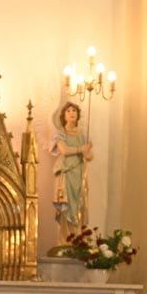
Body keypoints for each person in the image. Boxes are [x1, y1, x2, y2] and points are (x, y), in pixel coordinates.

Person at [51, 100, 92, 243]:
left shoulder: (83, 135)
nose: (71, 113)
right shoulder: (60, 134)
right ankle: (65, 242)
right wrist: (81, 149)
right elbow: (64, 150)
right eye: (68, 111)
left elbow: (90, 156)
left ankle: (78, 241)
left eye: (74, 110)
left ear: (78, 114)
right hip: (66, 174)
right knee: (67, 207)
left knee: (79, 206)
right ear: (64, 116)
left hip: (79, 174)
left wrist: (87, 152)